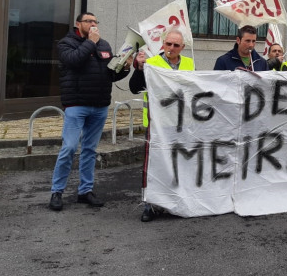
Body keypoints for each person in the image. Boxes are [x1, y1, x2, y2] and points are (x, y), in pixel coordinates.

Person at [49, 12, 131, 211]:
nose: (93, 24)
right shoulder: (66, 44)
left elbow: (110, 74)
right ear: (78, 24)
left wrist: (125, 67)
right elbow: (74, 61)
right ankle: (57, 191)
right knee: (69, 148)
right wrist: (91, 42)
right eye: (89, 21)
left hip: (100, 105)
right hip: (77, 105)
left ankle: (85, 191)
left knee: (89, 150)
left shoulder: (104, 45)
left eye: (95, 21)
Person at [129, 27, 195, 222]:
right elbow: (135, 88)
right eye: (168, 44)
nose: (172, 48)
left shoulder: (189, 63)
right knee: (154, 165)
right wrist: (140, 69)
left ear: (182, 47)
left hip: (181, 123)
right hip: (157, 124)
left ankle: (176, 201)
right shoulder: (152, 62)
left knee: (179, 164)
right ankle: (150, 204)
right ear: (162, 45)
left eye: (176, 45)